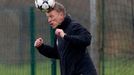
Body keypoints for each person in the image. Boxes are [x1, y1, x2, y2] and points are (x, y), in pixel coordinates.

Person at [34, 2, 97, 75]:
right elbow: (57, 53)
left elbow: (87, 39)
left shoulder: (74, 26)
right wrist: (41, 47)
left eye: (51, 16)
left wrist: (65, 36)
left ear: (61, 15)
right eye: (48, 17)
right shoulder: (59, 33)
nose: (49, 20)